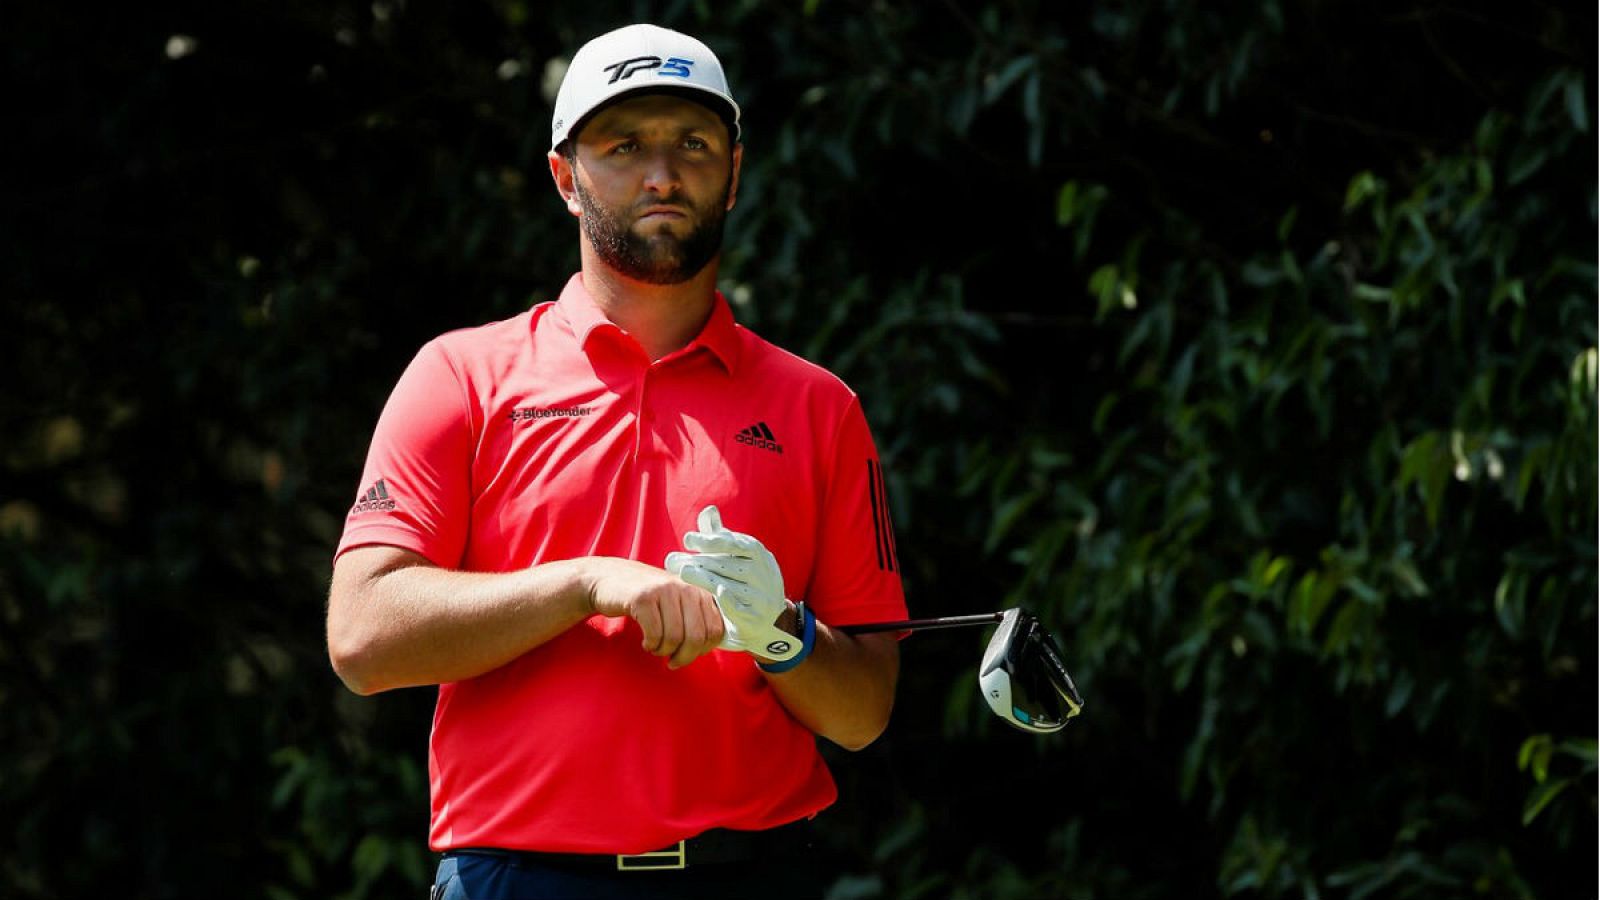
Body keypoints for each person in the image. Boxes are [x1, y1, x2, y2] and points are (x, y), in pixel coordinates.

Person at [325, 22, 907, 900]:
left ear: (735, 174)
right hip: (516, 879)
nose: (663, 174)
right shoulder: (461, 375)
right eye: (624, 145)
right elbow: (363, 637)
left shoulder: (820, 407)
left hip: (753, 875)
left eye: (694, 145)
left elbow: (863, 715)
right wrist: (587, 583)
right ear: (566, 176)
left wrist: (781, 633)